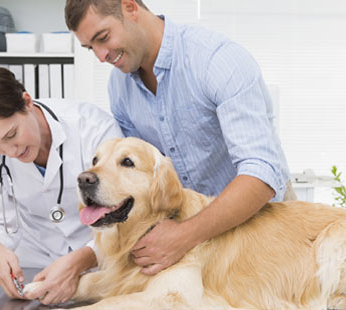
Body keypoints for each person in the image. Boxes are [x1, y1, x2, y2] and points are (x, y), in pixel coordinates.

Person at [65, 0, 295, 276]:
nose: (101, 56)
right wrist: (82, 261)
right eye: (91, 48)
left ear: (130, 8)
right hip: (186, 237)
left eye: (103, 38)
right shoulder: (120, 87)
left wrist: (186, 234)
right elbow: (137, 185)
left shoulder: (216, 60)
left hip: (259, 227)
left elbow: (261, 173)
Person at [0, 68, 124, 304]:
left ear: (26, 102)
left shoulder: (93, 129)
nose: (9, 152)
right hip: (34, 268)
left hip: (99, 263)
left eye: (12, 134)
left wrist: (83, 259)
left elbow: (122, 216)